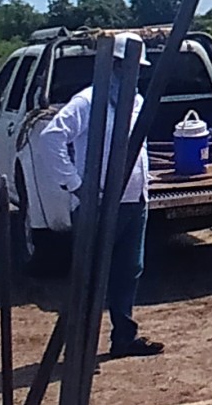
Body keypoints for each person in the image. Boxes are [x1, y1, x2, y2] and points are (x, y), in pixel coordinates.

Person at [34, 55, 162, 359]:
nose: (134, 75)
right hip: (100, 204)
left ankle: (124, 338)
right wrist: (75, 184)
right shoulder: (88, 100)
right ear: (114, 66)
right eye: (128, 67)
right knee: (90, 276)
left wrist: (145, 179)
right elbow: (51, 137)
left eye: (139, 70)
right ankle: (80, 348)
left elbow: (138, 145)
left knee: (129, 270)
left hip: (134, 201)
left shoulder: (136, 101)